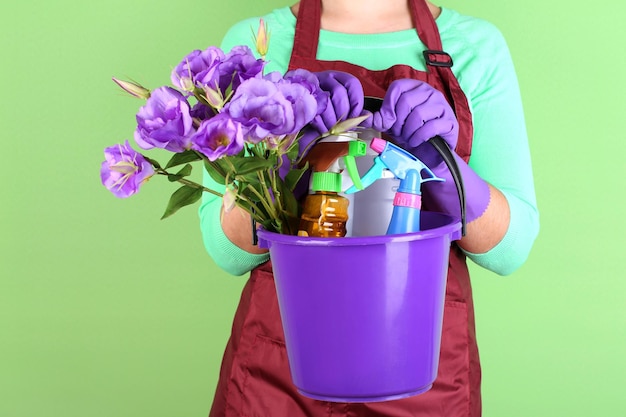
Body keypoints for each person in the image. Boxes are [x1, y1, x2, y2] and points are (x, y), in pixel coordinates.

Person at [198, 0, 539, 416]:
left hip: (422, 375)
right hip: (279, 373)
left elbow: (510, 248)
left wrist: (443, 169)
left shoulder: (473, 46)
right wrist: (283, 158)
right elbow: (225, 250)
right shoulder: (255, 44)